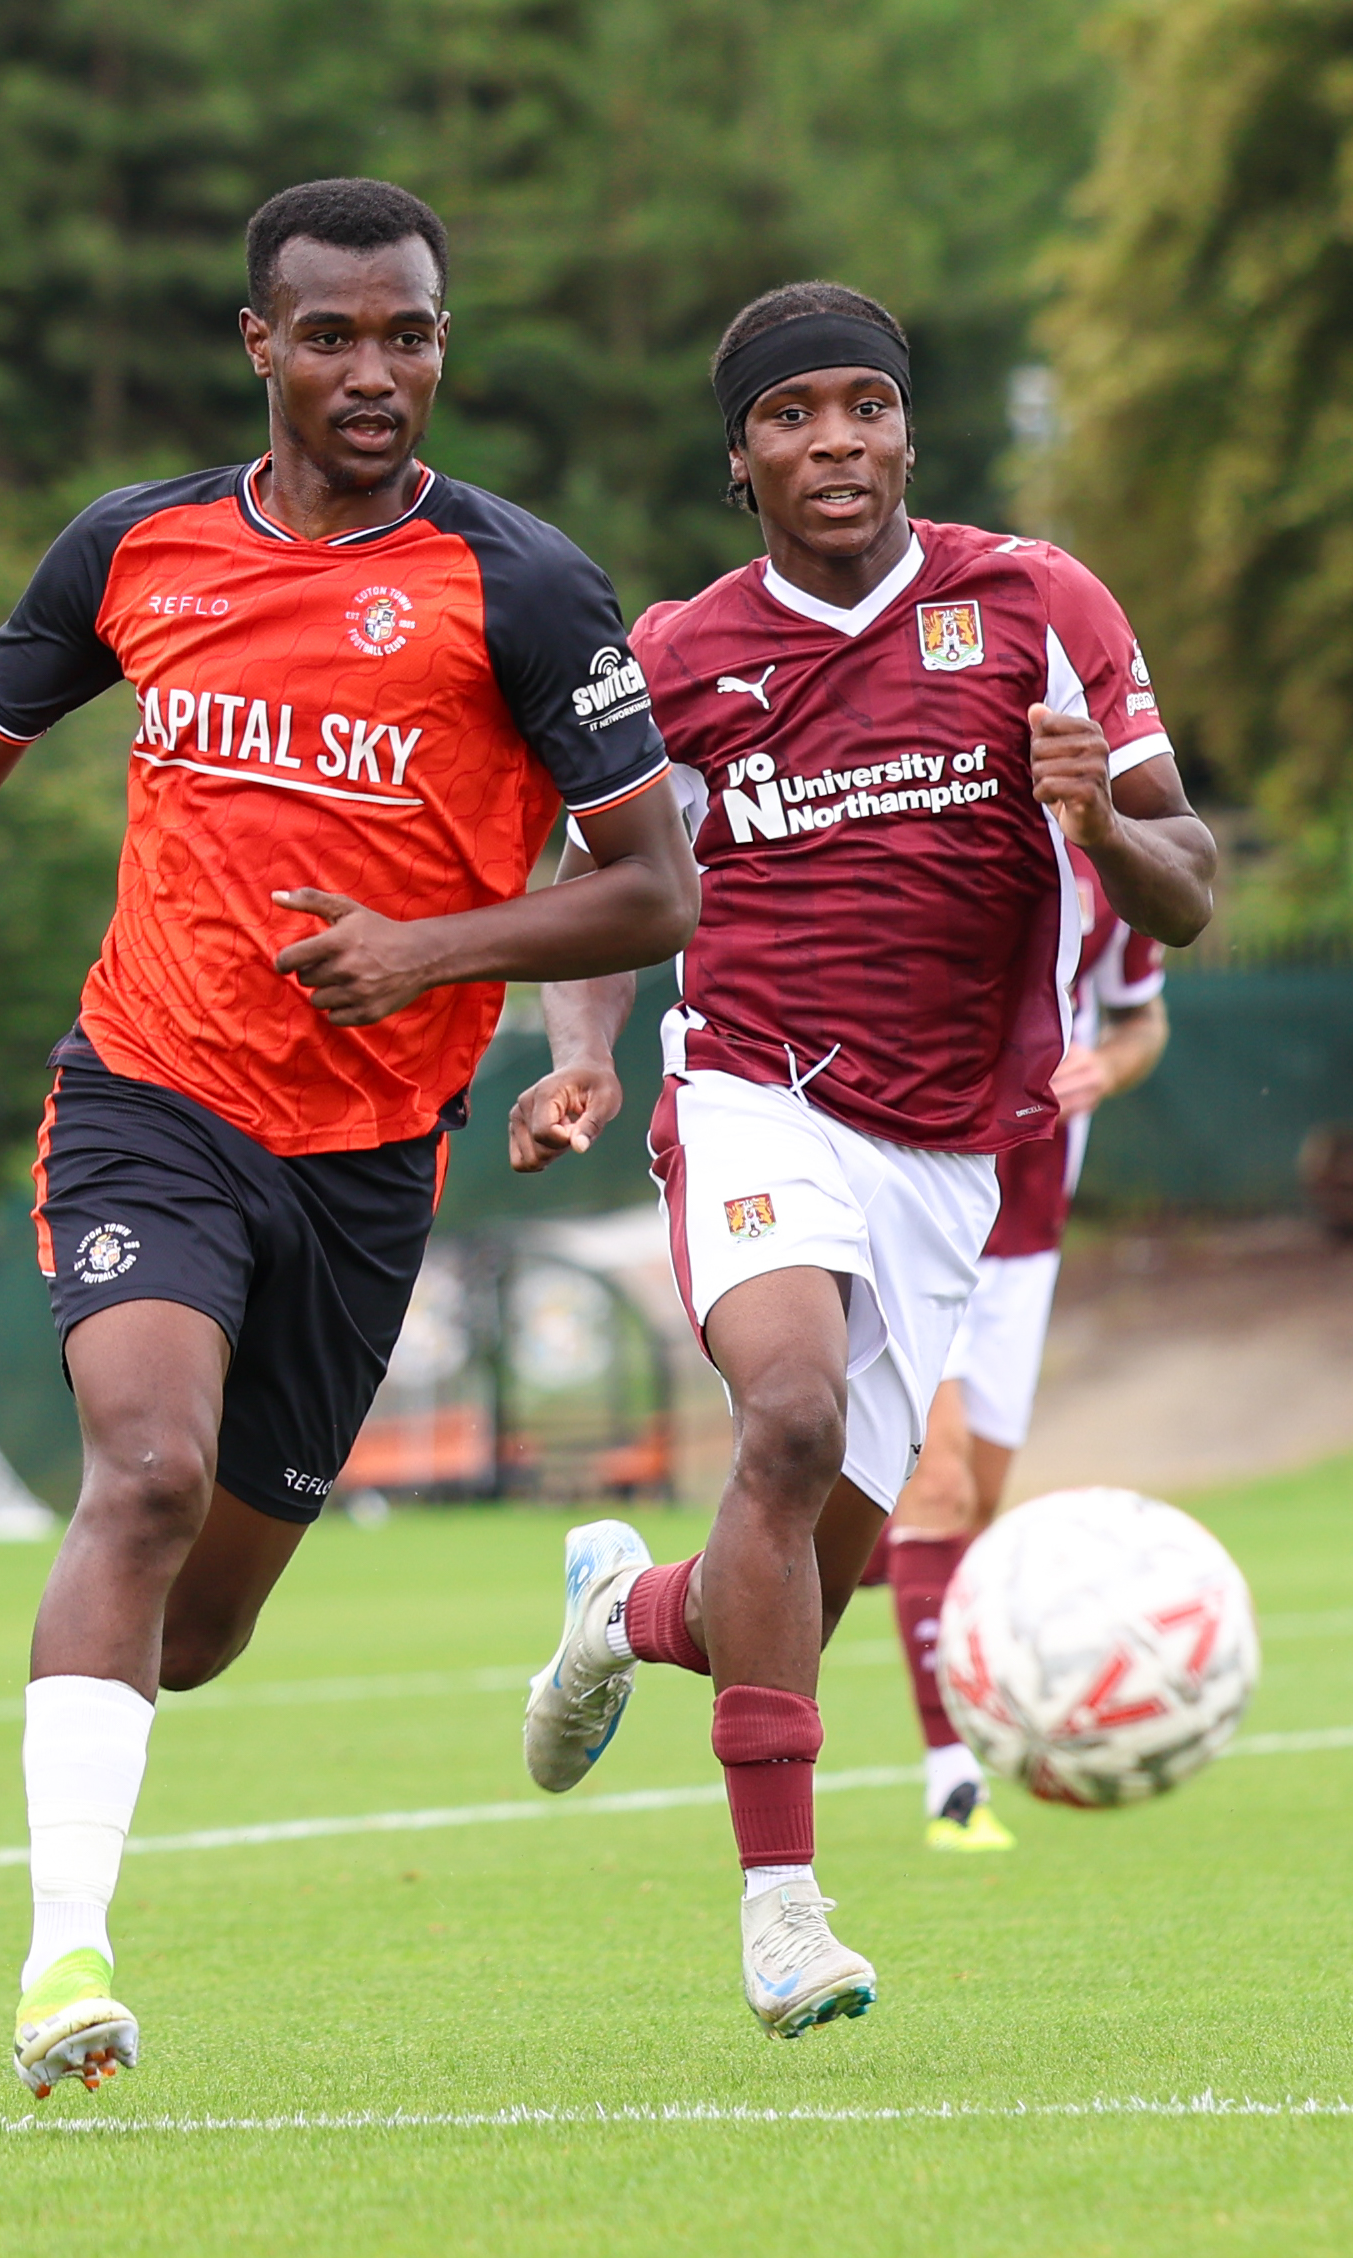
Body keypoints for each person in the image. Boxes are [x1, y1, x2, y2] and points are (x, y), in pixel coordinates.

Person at [0, 178, 697, 2098]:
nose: (376, 372)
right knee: (138, 1469)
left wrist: (459, 968)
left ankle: (475, 1615)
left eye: (411, 335)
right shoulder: (133, 548)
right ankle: (60, 1964)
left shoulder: (524, 586)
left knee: (196, 1628)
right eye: (335, 335)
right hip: (146, 1094)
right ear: (259, 346)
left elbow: (650, 888)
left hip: (370, 1161)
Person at [506, 283, 1215, 2035]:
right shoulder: (677, 652)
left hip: (947, 1155)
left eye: (864, 405)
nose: (835, 441)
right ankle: (781, 1910)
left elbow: (1187, 889)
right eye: (790, 415)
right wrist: (585, 1052)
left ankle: (624, 1606)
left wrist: (1100, 819)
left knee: (793, 1590)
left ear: (907, 426)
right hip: (751, 1091)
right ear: (738, 456)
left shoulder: (1038, 605)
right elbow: (610, 884)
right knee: (791, 1416)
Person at [873, 844, 1170, 1851]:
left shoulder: (1116, 858)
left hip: (1026, 1230)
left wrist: (1107, 1064)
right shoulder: (925, 812)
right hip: (912, 1202)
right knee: (939, 1488)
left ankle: (728, 1584)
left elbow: (1141, 1019)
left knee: (957, 1520)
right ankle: (952, 1784)